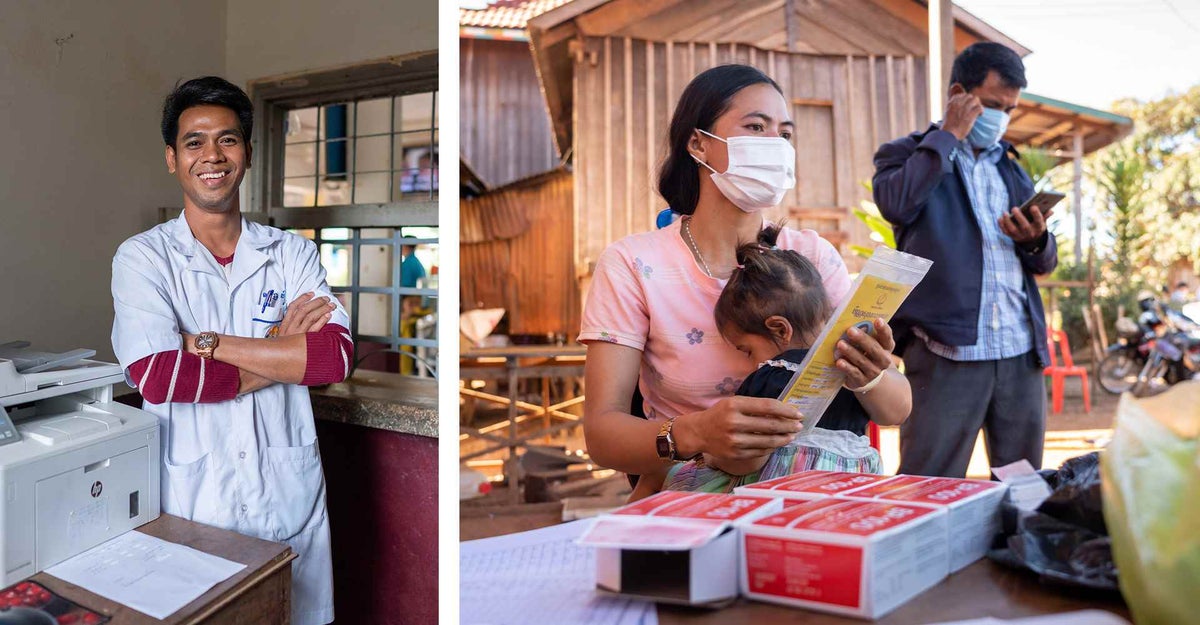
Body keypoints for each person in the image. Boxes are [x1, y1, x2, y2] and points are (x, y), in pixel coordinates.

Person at [579, 64, 897, 493]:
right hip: (690, 503)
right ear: (698, 144)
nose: (777, 145)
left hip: (812, 501)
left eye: (785, 134)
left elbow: (893, 405)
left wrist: (874, 373)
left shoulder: (813, 258)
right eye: (756, 126)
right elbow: (602, 434)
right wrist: (695, 434)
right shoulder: (632, 264)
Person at [110, 77, 352, 625]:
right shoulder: (144, 258)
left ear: (247, 153)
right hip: (194, 505)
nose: (212, 156)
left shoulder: (292, 253)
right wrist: (280, 352)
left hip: (285, 498)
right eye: (194, 142)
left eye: (228, 140)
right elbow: (161, 377)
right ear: (172, 158)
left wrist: (208, 345)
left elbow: (333, 358)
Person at [872, 43, 1058, 478]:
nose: (1001, 117)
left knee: (1022, 484)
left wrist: (1036, 240)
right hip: (946, 350)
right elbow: (897, 204)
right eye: (992, 105)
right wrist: (949, 135)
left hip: (1018, 350)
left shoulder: (1010, 167)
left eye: (1009, 108)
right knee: (929, 482)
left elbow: (1044, 263)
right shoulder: (907, 153)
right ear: (959, 93)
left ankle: (1012, 549)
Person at [650, 225, 910, 495]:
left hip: (783, 501)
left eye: (747, 350)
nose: (750, 364)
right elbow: (893, 414)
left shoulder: (771, 376)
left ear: (780, 330)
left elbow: (745, 460)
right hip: (850, 495)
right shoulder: (851, 368)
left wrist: (713, 455)